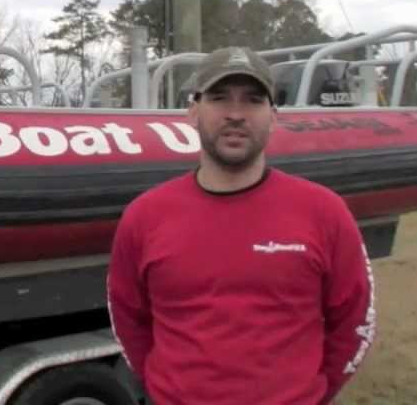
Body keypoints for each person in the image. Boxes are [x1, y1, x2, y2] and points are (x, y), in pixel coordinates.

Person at [107, 46, 375, 404]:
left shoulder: (324, 211)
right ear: (192, 113)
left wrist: (312, 393)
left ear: (273, 116)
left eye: (252, 100)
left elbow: (355, 320)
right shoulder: (144, 217)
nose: (236, 114)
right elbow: (128, 320)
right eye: (219, 98)